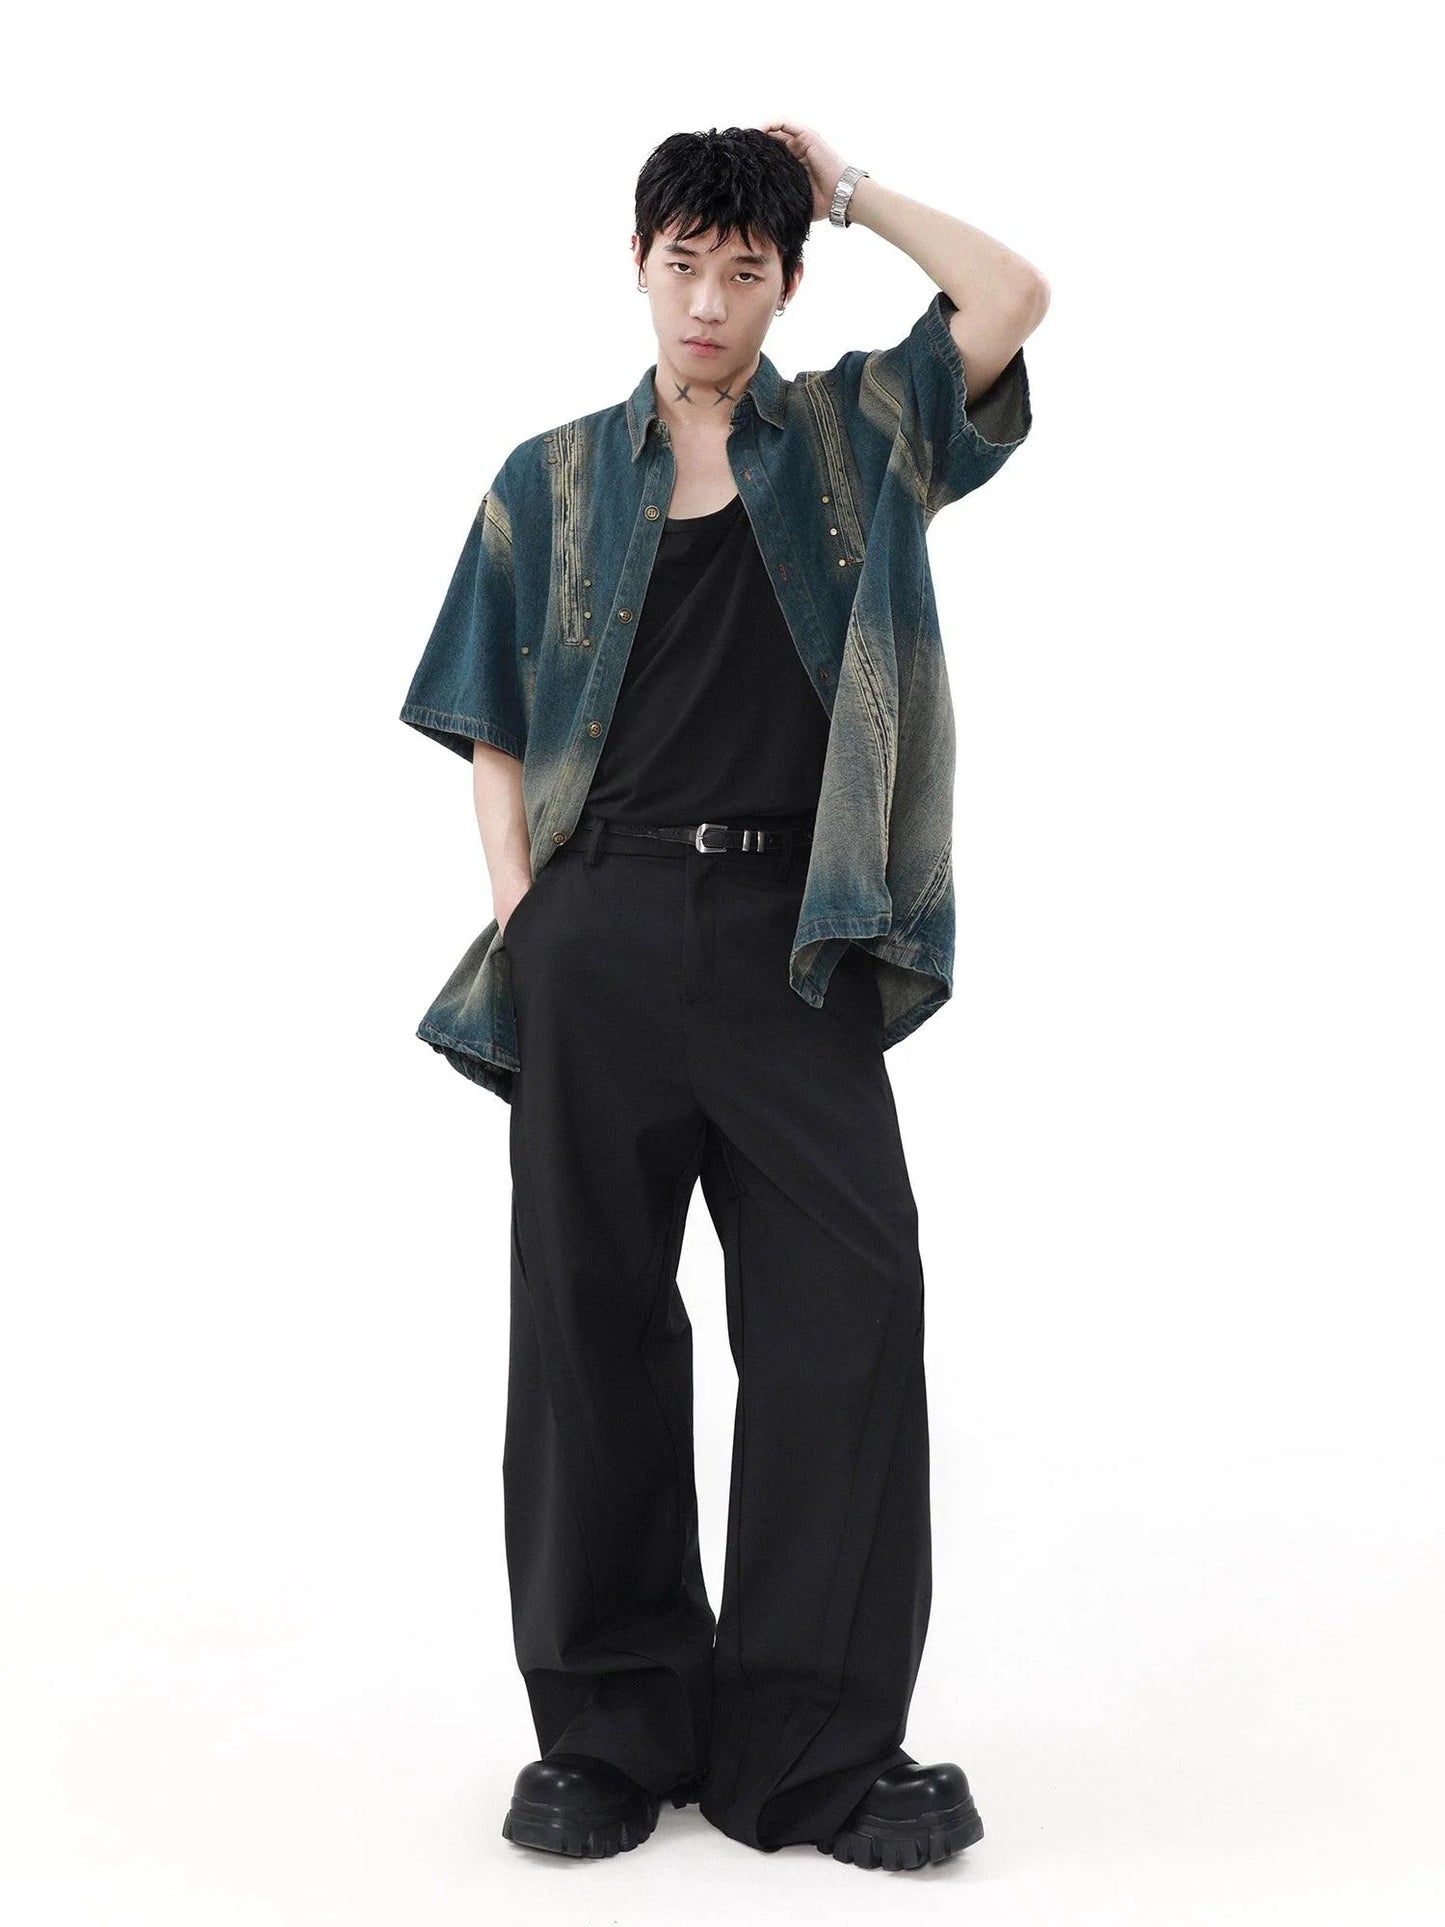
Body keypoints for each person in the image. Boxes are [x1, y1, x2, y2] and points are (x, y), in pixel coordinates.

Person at [399, 121, 1047, 1870]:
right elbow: (490, 719)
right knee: (588, 1332)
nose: (705, 299)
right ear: (637, 263)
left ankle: (812, 1753)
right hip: (597, 925)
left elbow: (1007, 296)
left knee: (847, 1320)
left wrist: (845, 185)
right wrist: (527, 914)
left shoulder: (855, 436)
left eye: (742, 270)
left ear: (783, 285)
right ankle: (608, 1732)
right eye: (680, 263)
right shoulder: (546, 479)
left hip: (792, 931)